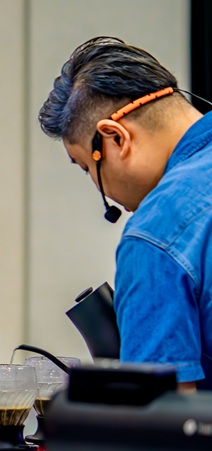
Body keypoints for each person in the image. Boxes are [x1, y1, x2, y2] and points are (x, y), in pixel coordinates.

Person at [38, 36, 212, 391]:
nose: (106, 196)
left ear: (115, 138)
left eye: (88, 168)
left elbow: (162, 429)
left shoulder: (157, 232)